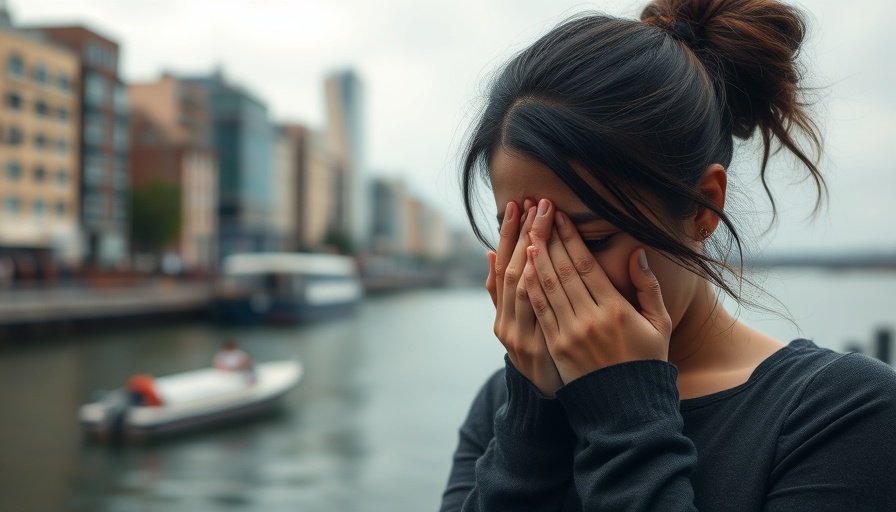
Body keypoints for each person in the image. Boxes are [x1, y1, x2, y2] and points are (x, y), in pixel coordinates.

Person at [441, 1, 896, 511]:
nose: (541, 276)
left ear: (704, 207)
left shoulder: (843, 414)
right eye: (519, 237)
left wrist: (623, 411)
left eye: (589, 242)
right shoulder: (507, 407)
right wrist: (532, 415)